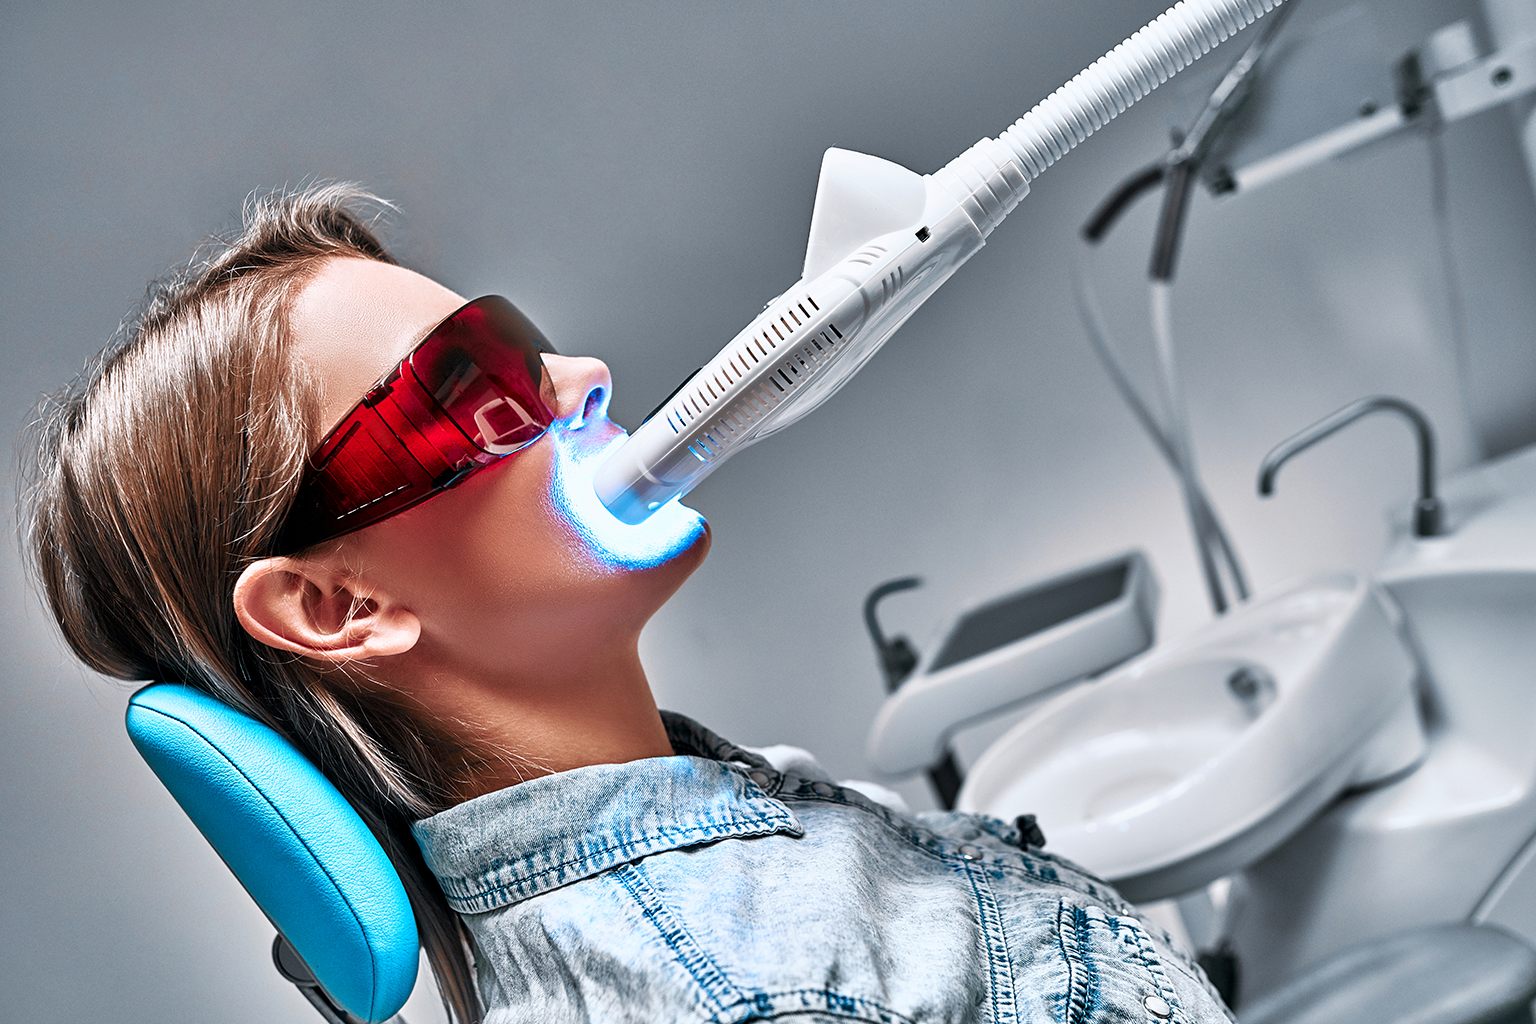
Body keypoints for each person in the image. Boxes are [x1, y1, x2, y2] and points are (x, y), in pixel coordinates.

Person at [20, 185, 1232, 1024]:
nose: (583, 380)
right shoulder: (738, 986)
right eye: (469, 387)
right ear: (340, 606)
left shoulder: (710, 872)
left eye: (518, 341)